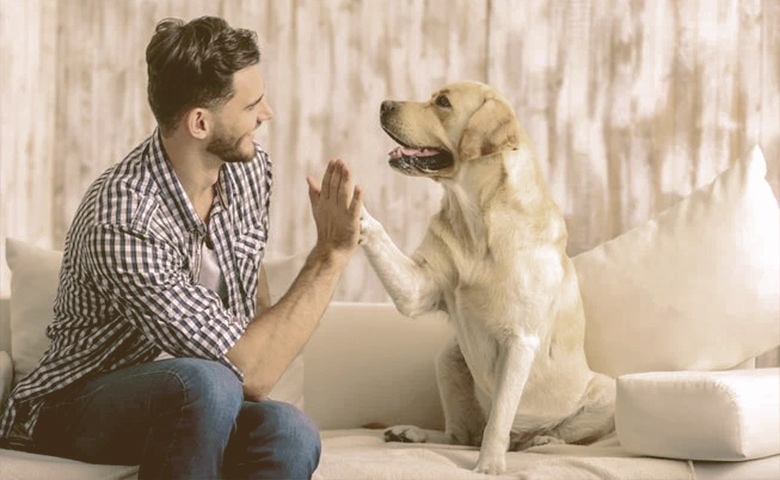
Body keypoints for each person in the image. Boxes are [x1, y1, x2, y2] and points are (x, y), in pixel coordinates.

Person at [0, 15, 362, 479]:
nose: (267, 113)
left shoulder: (249, 171)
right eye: (252, 104)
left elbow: (252, 298)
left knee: (290, 432)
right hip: (73, 404)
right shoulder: (124, 215)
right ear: (200, 122)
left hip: (200, 399)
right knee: (206, 382)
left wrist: (257, 372)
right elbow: (249, 370)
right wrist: (329, 255)